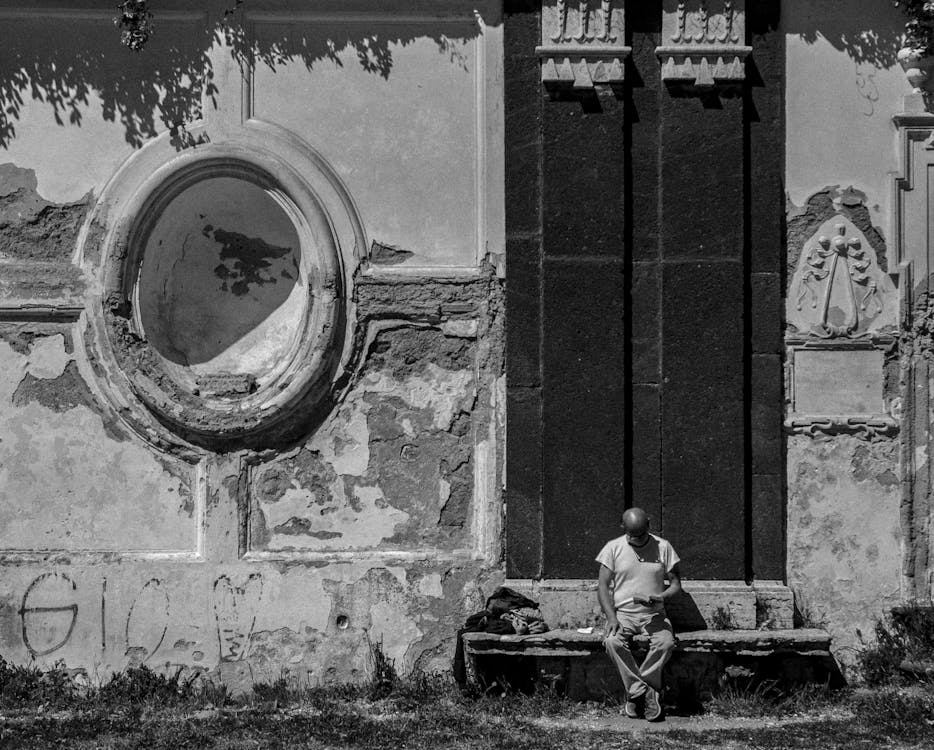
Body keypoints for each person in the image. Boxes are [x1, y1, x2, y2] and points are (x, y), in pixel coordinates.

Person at [596, 507, 681, 722]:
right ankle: (643, 692)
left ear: (649, 525)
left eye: (642, 535)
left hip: (654, 614)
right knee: (612, 642)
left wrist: (661, 597)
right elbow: (603, 586)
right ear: (623, 528)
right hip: (624, 613)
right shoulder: (613, 548)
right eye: (633, 536)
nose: (638, 540)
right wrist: (612, 617)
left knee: (666, 643)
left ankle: (639, 693)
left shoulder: (663, 547)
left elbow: (676, 585)